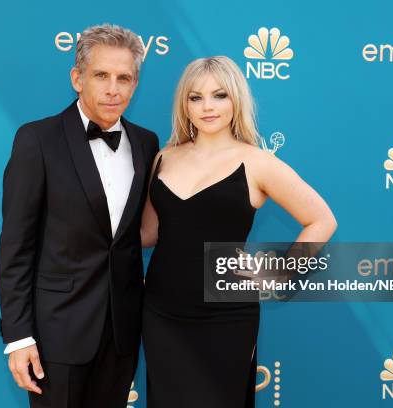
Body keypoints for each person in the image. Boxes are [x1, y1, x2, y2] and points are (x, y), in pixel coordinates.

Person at [140, 56, 337, 407]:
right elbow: (148, 233)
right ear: (184, 104)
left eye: (219, 95)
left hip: (225, 315)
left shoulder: (258, 162)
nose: (207, 107)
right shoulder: (163, 158)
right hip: (161, 311)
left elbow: (322, 220)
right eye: (195, 97)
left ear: (236, 100)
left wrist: (280, 272)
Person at [0, 24, 159, 408]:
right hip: (57, 332)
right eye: (101, 75)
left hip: (122, 331)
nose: (112, 88)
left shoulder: (146, 143)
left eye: (124, 78)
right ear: (77, 78)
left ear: (135, 84)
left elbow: (137, 233)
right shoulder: (37, 139)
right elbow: (17, 245)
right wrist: (19, 337)